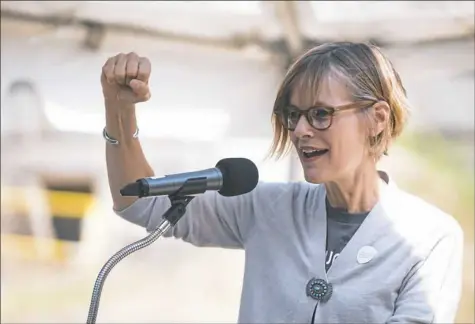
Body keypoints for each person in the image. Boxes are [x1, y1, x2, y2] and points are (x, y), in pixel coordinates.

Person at [101, 42, 463, 323]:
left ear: (378, 118)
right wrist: (119, 111)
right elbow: (140, 202)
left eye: (321, 114)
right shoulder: (266, 207)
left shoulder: (430, 237)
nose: (301, 131)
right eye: (293, 115)